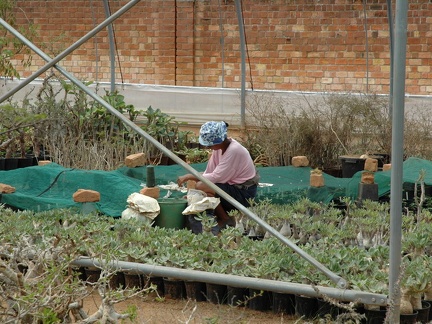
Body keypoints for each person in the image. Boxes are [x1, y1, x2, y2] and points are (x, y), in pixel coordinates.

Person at [177, 121, 259, 234]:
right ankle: (223, 218)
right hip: (231, 187)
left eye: (210, 145)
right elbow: (209, 172)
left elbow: (215, 177)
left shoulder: (234, 151)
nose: (208, 147)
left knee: (202, 186)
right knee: (202, 189)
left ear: (218, 141)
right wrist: (194, 193)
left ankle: (224, 219)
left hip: (244, 193)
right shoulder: (220, 148)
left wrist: (190, 176)